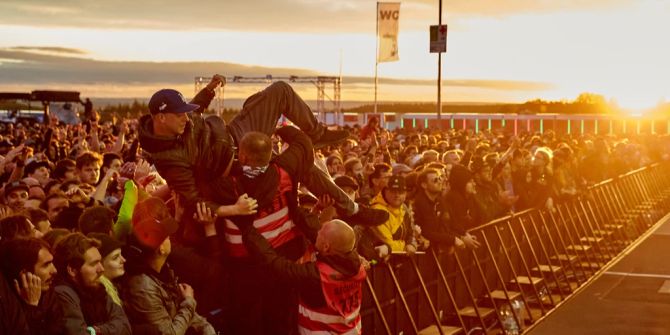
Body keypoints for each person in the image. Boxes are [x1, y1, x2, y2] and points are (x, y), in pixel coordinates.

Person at [137, 76, 387, 241]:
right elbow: (195, 201)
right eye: (179, 115)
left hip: (232, 132)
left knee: (280, 90)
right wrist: (233, 209)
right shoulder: (168, 160)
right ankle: (351, 209)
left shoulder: (175, 121)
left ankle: (316, 133)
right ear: (161, 118)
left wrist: (209, 91)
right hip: (234, 161)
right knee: (301, 165)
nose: (185, 118)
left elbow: (194, 108)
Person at [238, 218, 366, 335]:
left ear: (326, 247)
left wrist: (247, 229)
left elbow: (275, 265)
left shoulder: (316, 276)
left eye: (320, 232)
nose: (317, 231)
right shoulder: (357, 266)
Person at [122, 197, 216, 335]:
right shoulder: (144, 287)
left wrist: (208, 330)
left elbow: (190, 317)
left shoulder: (164, 269)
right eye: (167, 237)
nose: (171, 239)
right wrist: (189, 301)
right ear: (161, 249)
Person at [53, 232, 131, 335]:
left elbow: (125, 326)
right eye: (94, 264)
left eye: (100, 262)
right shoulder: (63, 294)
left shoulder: (96, 287)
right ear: (72, 270)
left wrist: (96, 330)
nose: (101, 269)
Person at [0, 237, 61, 335]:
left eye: (52, 262)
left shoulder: (48, 294)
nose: (54, 270)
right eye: (46, 265)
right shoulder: (6, 303)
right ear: (24, 274)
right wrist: (32, 308)